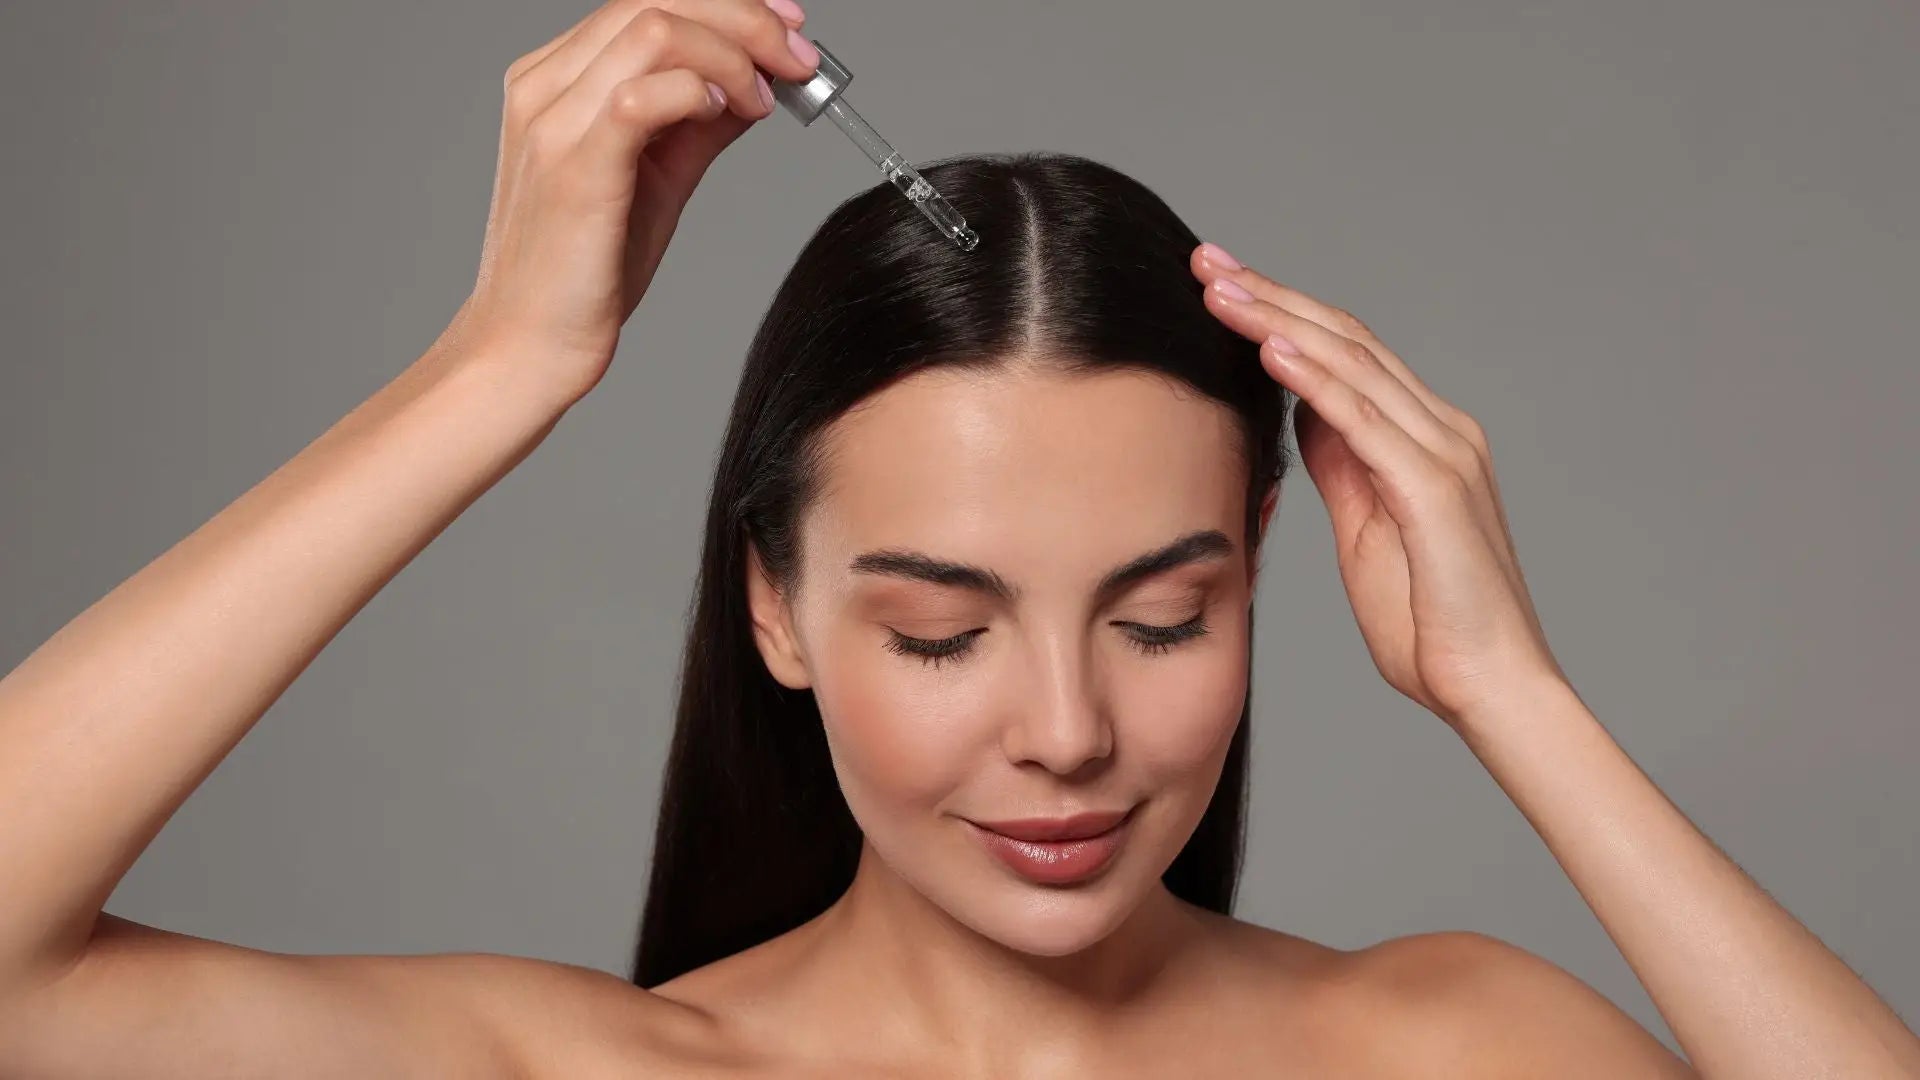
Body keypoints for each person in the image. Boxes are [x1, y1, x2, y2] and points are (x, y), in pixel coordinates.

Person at [0, 0, 1913, 1075]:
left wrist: (1516, 696)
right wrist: (498, 368)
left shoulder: (1444, 1046)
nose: (1066, 731)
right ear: (777, 608)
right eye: (939, 633)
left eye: (1167, 619)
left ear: (1264, 572)